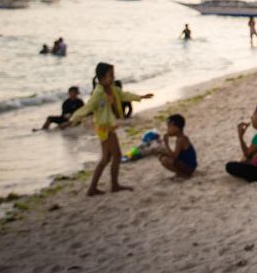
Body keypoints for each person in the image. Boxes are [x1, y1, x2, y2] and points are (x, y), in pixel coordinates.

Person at [62, 62, 153, 196]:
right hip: (104, 128)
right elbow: (87, 108)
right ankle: (114, 185)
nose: (113, 77)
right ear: (102, 78)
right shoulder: (98, 93)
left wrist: (140, 97)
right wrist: (71, 120)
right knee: (115, 155)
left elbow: (123, 95)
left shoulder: (111, 88)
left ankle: (93, 188)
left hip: (107, 126)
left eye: (113, 74)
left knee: (106, 158)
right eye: (111, 75)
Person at [158, 113, 196, 178]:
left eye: (169, 127)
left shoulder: (181, 139)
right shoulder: (180, 138)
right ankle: (181, 173)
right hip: (186, 166)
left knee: (165, 160)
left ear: (176, 127)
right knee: (162, 156)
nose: (168, 130)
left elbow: (175, 156)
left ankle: (182, 174)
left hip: (189, 168)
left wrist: (166, 144)